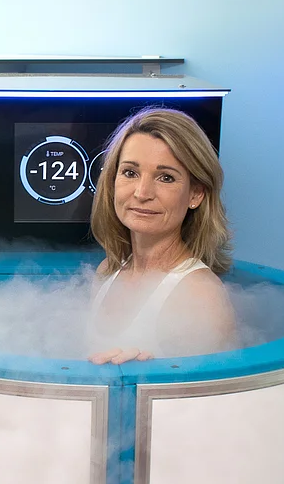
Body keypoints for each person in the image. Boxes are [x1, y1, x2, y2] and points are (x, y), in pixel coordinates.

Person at [87, 107, 236, 364]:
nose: (142, 193)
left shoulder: (201, 295)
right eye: (130, 173)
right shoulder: (107, 271)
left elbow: (216, 388)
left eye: (166, 178)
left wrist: (149, 377)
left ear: (196, 194)